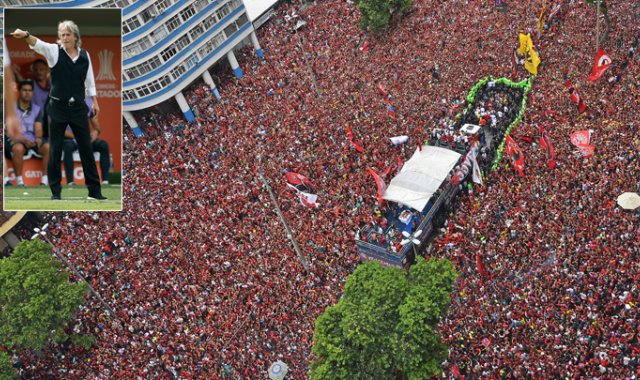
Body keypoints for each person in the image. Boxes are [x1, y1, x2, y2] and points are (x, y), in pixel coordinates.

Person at [11, 20, 106, 200]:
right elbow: (38, 44)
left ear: (75, 36)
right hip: (57, 108)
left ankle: (95, 192)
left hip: (78, 108)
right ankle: (56, 193)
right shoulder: (54, 51)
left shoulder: (85, 55)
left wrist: (95, 101)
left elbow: (90, 81)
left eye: (68, 34)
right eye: (62, 35)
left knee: (86, 149)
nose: (64, 38)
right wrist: (26, 35)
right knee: (55, 150)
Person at [4, 80, 49, 186]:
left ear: (32, 92)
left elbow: (38, 128)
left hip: (32, 140)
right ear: (19, 92)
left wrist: (38, 138)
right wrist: (24, 140)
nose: (27, 92)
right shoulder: (11, 108)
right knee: (18, 148)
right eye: (24, 90)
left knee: (48, 147)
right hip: (16, 140)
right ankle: (20, 181)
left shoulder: (37, 109)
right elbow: (10, 131)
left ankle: (44, 180)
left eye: (30, 90)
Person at [63, 98, 111, 186]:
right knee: (68, 147)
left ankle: (105, 181)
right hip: (71, 139)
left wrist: (96, 131)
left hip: (85, 138)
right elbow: (60, 129)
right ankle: (70, 182)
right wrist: (77, 137)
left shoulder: (88, 101)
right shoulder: (64, 100)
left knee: (103, 145)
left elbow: (96, 126)